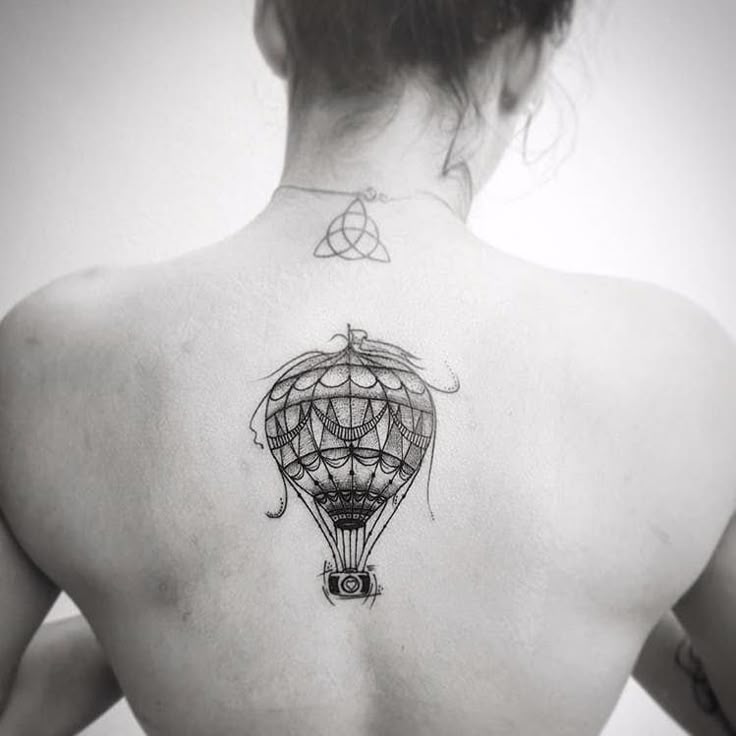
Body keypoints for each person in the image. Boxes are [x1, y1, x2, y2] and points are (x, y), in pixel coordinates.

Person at [0, 0, 734, 733]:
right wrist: (615, 594)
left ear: (272, 26)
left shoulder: (53, 354)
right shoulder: (678, 371)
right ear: (527, 61)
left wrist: (141, 609)